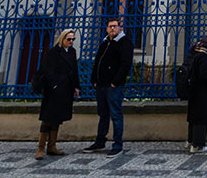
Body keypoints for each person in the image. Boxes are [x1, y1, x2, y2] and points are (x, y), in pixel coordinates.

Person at [83, 18, 134, 156]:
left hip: (113, 86)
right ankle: (100, 141)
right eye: (110, 26)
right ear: (106, 29)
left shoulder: (125, 43)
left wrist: (115, 81)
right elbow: (98, 61)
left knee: (116, 114)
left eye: (115, 26)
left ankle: (117, 144)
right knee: (103, 114)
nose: (113, 29)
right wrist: (94, 79)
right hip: (101, 85)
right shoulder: (105, 42)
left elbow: (125, 64)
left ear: (120, 28)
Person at [35, 29, 80, 160]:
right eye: (68, 39)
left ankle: (52, 146)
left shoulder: (72, 52)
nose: (71, 42)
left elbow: (74, 70)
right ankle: (40, 148)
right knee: (48, 118)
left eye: (73, 39)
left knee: (58, 118)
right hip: (54, 88)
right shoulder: (54, 52)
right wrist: (54, 84)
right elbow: (47, 70)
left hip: (66, 88)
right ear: (62, 39)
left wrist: (76, 86)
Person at [186, 36, 207, 153]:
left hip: (193, 90)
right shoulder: (204, 56)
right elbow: (204, 73)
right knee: (201, 118)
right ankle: (198, 145)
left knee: (193, 118)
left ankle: (190, 141)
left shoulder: (194, 53)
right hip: (202, 91)